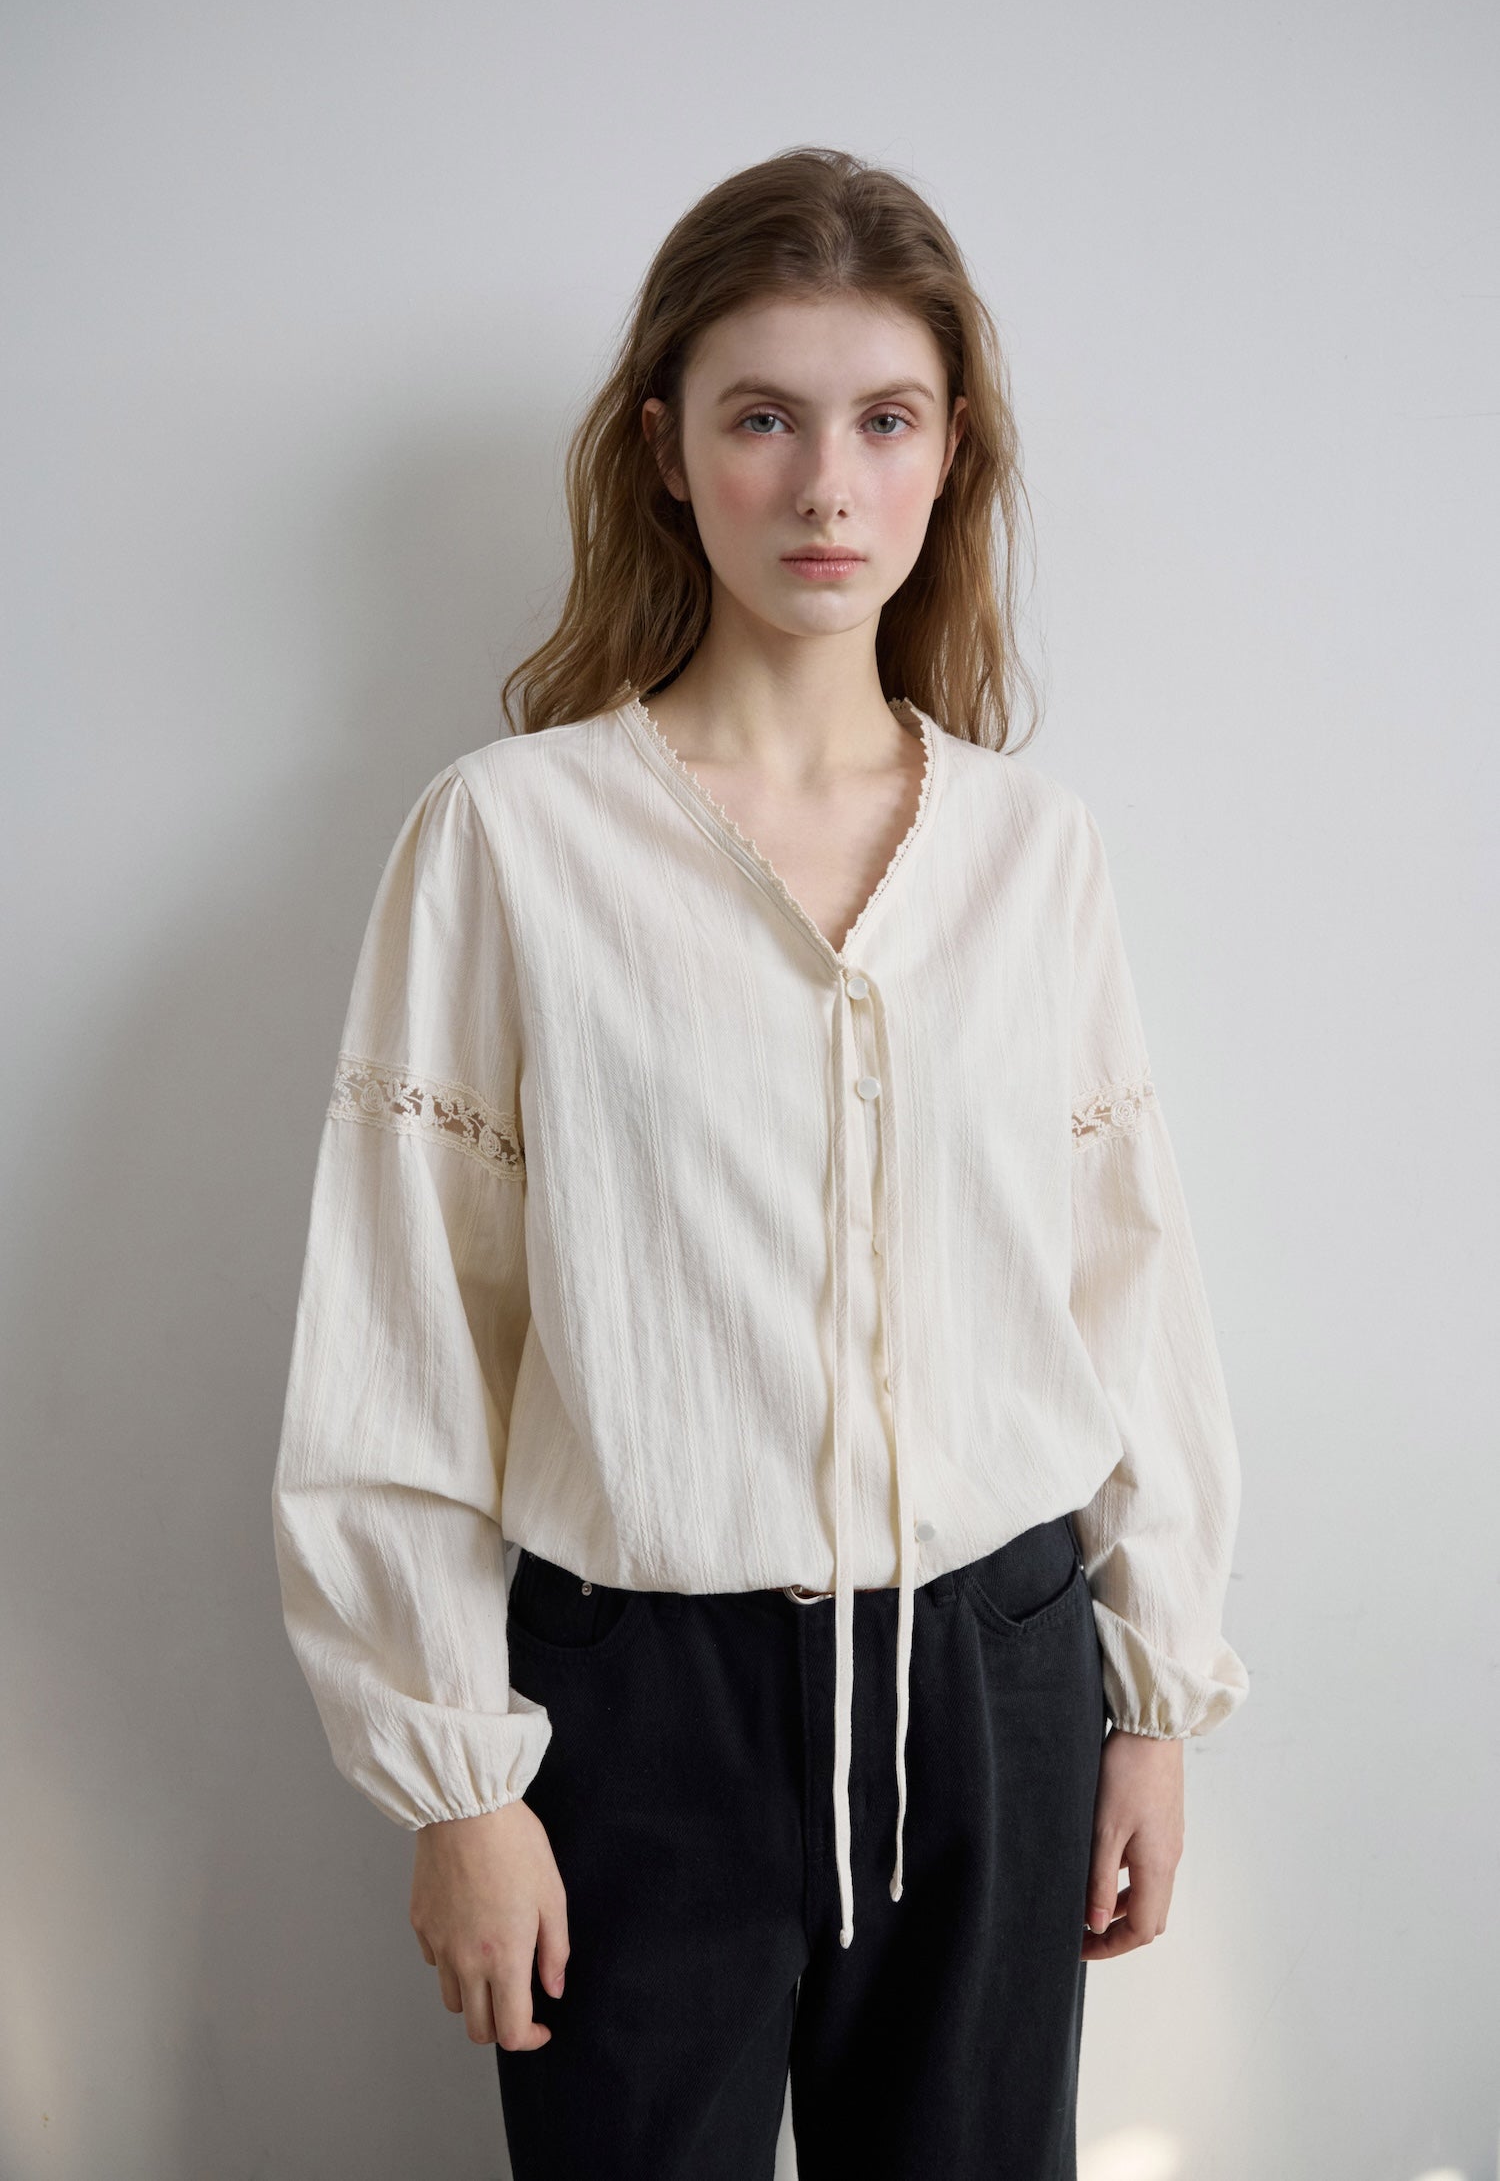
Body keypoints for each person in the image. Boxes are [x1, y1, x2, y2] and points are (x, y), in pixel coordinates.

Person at [271, 145, 1249, 2181]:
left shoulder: (1036, 856)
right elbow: (408, 1327)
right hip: (639, 1716)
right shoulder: (509, 840)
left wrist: (1150, 1700)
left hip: (998, 1682)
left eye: (884, 420)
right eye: (763, 418)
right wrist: (460, 1782)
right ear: (664, 449)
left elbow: (1121, 1283)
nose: (826, 486)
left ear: (951, 453)